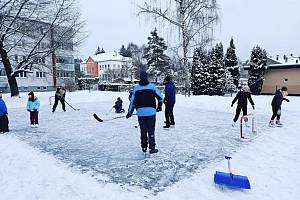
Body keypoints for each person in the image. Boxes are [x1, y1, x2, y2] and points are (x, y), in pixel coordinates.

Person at [126, 71, 163, 154]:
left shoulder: (136, 88)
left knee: (143, 130)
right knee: (151, 130)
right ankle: (152, 148)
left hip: (141, 113)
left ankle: (144, 147)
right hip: (151, 112)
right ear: (146, 77)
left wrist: (129, 112)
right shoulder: (152, 87)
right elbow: (160, 97)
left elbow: (132, 102)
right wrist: (159, 106)